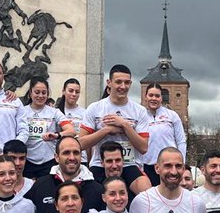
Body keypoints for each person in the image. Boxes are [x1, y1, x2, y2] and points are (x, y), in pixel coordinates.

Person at [79, 64, 151, 194]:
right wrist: (106, 130)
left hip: (129, 164)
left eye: (126, 83)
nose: (123, 87)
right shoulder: (95, 108)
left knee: (146, 191)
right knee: (85, 193)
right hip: (100, 164)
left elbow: (143, 147)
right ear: (109, 83)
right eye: (118, 82)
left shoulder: (139, 111)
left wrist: (125, 125)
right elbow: (81, 143)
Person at [25, 136, 102, 213]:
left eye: (76, 153)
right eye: (66, 153)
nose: (72, 158)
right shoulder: (41, 185)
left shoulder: (97, 190)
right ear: (56, 157)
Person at [20, 78, 72, 178]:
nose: (40, 96)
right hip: (27, 161)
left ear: (48, 94)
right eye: (37, 92)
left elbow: (71, 130)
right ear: (30, 93)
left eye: (44, 93)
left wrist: (57, 135)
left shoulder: (54, 112)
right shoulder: (22, 112)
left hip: (48, 161)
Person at [142, 83, 187, 186]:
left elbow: (181, 141)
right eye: (151, 95)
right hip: (147, 166)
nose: (154, 98)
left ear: (161, 98)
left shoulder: (172, 115)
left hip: (169, 166)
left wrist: (182, 163)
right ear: (145, 97)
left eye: (157, 96)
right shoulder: (140, 116)